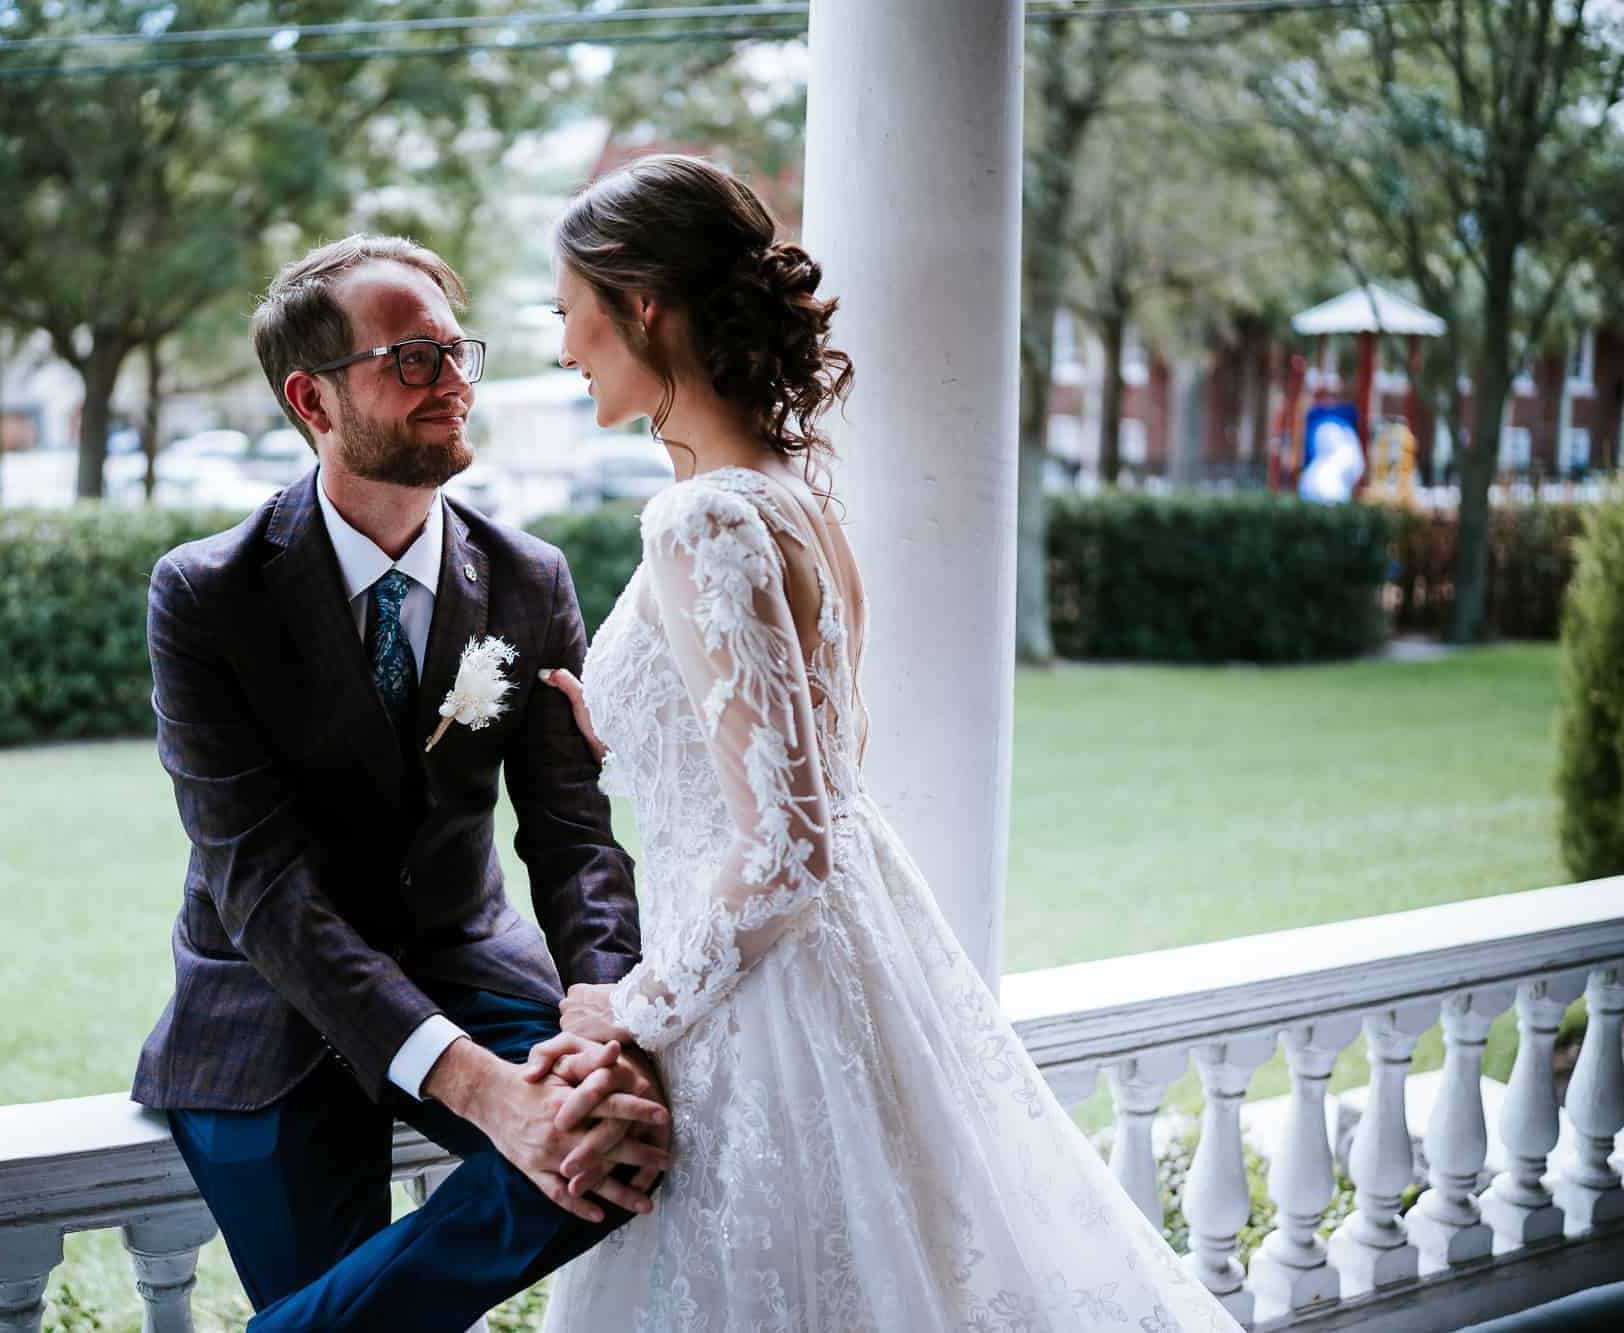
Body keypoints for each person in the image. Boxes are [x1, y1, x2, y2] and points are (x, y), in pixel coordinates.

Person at [532, 155, 1247, 1332]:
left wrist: (633, 1008)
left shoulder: (699, 515)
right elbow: (821, 754)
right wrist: (618, 728)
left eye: (569, 311)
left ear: (641, 307)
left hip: (756, 1018)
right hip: (839, 968)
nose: (564, 346)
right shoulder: (792, 501)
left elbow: (786, 846)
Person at [132, 234, 671, 1332]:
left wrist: (597, 1005)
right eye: (413, 359)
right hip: (270, 1003)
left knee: (627, 1129)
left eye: (457, 353)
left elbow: (572, 836)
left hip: (469, 964)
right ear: (313, 399)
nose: (455, 382)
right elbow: (262, 884)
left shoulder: (527, 578)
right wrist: (482, 1090)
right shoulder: (206, 595)